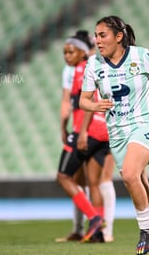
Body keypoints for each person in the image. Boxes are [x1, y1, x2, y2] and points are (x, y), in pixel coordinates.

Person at [80, 15, 149, 255]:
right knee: (141, 186)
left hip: (146, 125)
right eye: (95, 36)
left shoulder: (141, 56)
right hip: (117, 134)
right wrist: (94, 106)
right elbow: (83, 100)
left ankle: (145, 230)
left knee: (130, 175)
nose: (97, 40)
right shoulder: (94, 65)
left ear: (118, 36)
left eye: (102, 35)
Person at [56, 30, 115, 243]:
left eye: (70, 52)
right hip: (103, 132)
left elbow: (87, 104)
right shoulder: (94, 67)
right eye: (64, 52)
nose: (66, 56)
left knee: (63, 176)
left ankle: (94, 218)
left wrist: (79, 132)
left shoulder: (82, 70)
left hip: (87, 130)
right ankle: (98, 234)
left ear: (82, 52)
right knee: (93, 183)